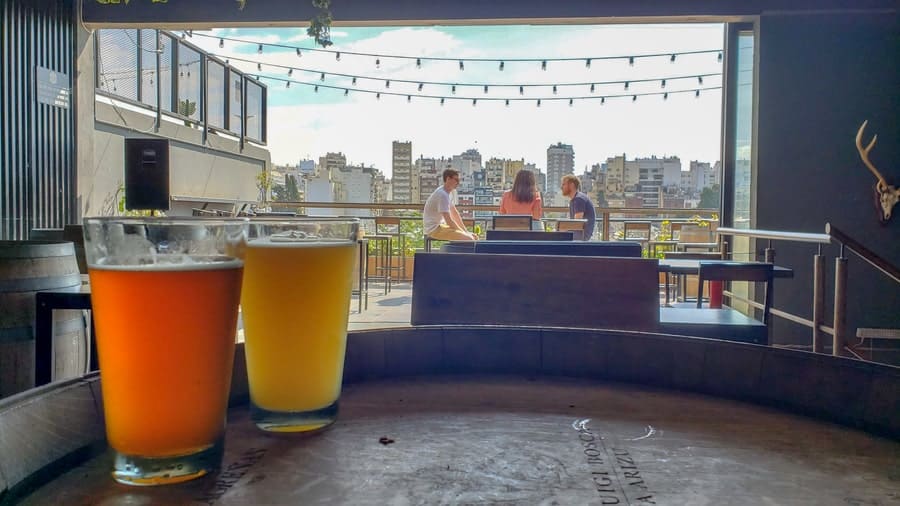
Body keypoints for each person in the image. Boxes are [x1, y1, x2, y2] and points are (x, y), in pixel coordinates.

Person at [423, 168, 477, 241]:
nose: (458, 183)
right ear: (448, 179)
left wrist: (466, 231)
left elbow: (455, 214)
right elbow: (449, 220)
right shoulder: (442, 195)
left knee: (474, 237)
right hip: (433, 229)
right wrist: (465, 234)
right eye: (456, 180)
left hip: (441, 226)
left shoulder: (448, 193)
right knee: (468, 239)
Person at [561, 174, 596, 240]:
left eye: (564, 184)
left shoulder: (579, 199)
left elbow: (577, 223)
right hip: (578, 235)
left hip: (581, 237)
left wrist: (561, 228)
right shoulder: (574, 200)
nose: (561, 187)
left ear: (571, 185)